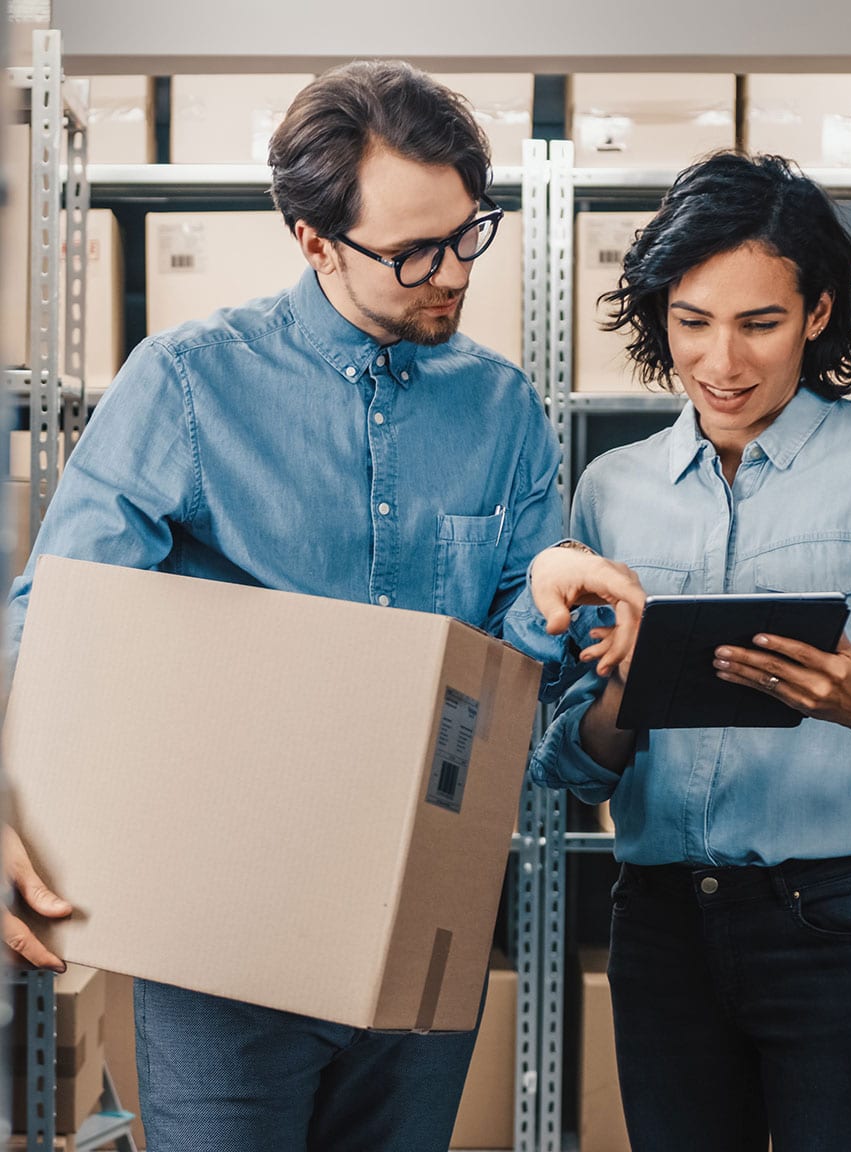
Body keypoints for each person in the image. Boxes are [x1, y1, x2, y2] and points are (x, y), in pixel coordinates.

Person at [3, 60, 562, 1151]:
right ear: (313, 243)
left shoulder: (503, 412)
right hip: (224, 946)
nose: (451, 273)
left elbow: (514, 674)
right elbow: (57, 625)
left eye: (467, 234)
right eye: (411, 252)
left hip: (420, 936)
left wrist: (556, 614)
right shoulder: (187, 386)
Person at [505, 151, 851, 1152]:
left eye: (759, 323)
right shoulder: (610, 490)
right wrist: (621, 689)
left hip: (843, 924)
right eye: (692, 322)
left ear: (815, 314)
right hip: (663, 927)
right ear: (659, 316)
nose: (721, 361)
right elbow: (565, 760)